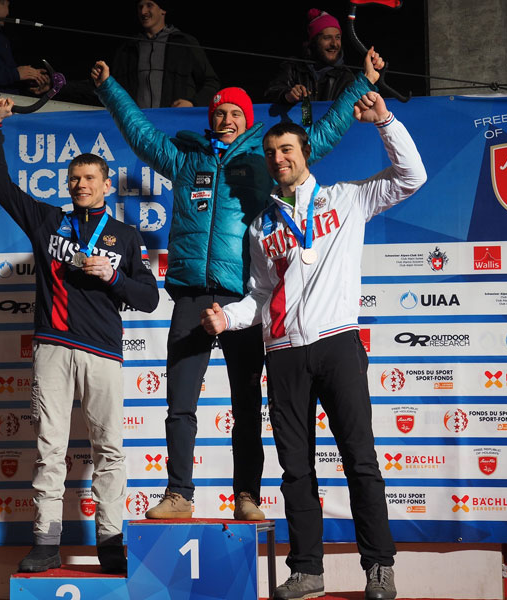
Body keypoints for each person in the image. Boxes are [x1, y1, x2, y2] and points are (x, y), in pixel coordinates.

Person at [90, 46, 386, 522]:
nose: (226, 118)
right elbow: (140, 134)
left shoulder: (262, 158)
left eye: (234, 112)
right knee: (179, 403)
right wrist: (109, 88)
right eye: (220, 112)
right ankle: (179, 494)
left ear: (245, 119)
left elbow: (323, 134)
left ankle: (246, 495)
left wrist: (364, 82)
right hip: (191, 295)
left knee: (246, 404)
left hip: (244, 297)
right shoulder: (185, 161)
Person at [200, 92, 427, 600]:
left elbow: (412, 177)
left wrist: (384, 122)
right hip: (282, 354)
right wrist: (227, 317)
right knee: (295, 469)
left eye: (287, 150)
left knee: (360, 460)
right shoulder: (262, 226)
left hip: (337, 344)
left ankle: (379, 567)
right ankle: (307, 570)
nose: (279, 159)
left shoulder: (347, 199)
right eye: (272, 153)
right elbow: (260, 295)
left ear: (305, 154)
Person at [0, 97, 159, 573]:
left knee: (110, 451)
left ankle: (110, 543)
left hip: (102, 351)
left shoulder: (124, 235)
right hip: (53, 346)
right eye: (74, 179)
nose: (81, 184)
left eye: (90, 178)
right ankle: (44, 540)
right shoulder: (47, 220)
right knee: (49, 449)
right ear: (68, 185)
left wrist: (114, 277)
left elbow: (149, 298)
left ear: (105, 185)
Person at [111, 0, 220, 108]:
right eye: (140, 7)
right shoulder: (127, 48)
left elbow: (211, 82)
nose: (143, 11)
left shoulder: (184, 43)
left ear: (163, 10)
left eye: (149, 5)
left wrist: (193, 103)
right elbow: (113, 87)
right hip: (136, 122)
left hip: (174, 120)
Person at [264, 8, 356, 106]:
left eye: (337, 37)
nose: (334, 44)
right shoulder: (293, 67)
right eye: (327, 38)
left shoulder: (346, 77)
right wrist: (288, 96)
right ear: (313, 41)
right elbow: (270, 94)